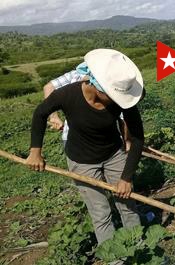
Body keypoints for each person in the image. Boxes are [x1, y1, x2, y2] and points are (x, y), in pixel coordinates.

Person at [26, 48, 145, 245]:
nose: (119, 101)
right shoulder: (67, 95)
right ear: (98, 88)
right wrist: (35, 152)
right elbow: (40, 113)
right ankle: (114, 258)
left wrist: (126, 177)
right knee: (101, 212)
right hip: (82, 161)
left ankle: (139, 249)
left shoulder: (123, 102)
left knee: (127, 204)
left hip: (114, 154)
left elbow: (138, 138)